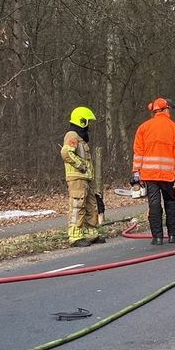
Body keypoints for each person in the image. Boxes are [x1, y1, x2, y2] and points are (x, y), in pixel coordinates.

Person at [132, 97, 175, 245]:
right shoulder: (174, 128)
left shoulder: (143, 128)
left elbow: (138, 152)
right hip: (168, 175)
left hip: (149, 174)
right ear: (166, 109)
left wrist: (136, 173)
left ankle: (157, 237)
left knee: (154, 204)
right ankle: (173, 235)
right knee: (171, 202)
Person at [61, 106, 102, 247]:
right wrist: (81, 166)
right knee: (77, 205)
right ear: (82, 121)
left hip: (86, 178)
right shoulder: (72, 135)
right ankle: (75, 236)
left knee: (91, 205)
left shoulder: (80, 138)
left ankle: (91, 233)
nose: (88, 126)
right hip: (77, 177)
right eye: (87, 122)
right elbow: (66, 153)